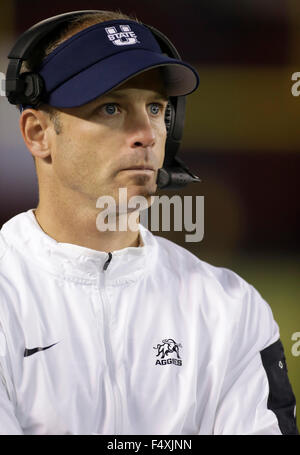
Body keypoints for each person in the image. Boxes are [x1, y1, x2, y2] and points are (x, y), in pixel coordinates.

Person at [0, 9, 298, 436]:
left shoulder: (232, 308)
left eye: (156, 107)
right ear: (37, 133)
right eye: (110, 108)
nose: (146, 132)